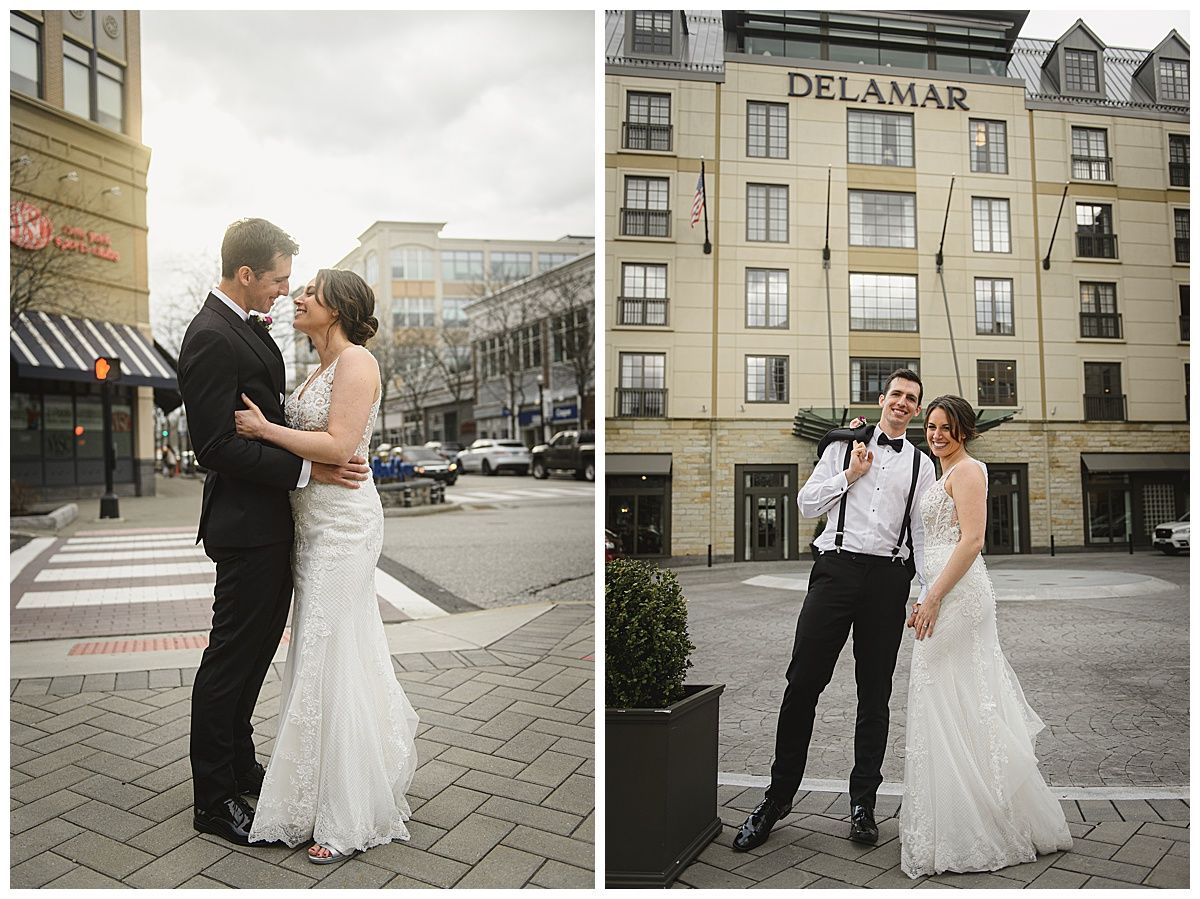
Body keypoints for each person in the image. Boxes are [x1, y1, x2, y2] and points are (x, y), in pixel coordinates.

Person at [178, 218, 370, 848]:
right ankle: (213, 798)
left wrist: (316, 453)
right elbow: (214, 445)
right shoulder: (210, 335)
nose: (285, 293)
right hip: (245, 527)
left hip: (276, 525)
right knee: (231, 659)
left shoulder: (246, 330)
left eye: (295, 283)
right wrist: (305, 466)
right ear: (246, 275)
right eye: (279, 280)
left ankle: (239, 766)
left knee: (255, 655)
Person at [235, 268, 419, 864]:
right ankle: (317, 791)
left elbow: (341, 447)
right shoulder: (317, 365)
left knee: (329, 648)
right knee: (317, 651)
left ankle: (345, 813)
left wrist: (266, 429)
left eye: (310, 291)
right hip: (312, 525)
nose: (298, 297)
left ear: (336, 308)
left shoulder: (357, 363)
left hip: (343, 524)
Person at [733, 369, 936, 852]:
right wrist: (852, 474)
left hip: (888, 580)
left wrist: (926, 592)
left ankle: (863, 804)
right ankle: (777, 798)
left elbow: (923, 536)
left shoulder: (923, 466)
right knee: (803, 682)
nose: (903, 403)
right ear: (882, 399)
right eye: (897, 395)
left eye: (912, 399)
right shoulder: (841, 447)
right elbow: (805, 505)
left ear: (916, 408)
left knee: (875, 693)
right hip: (836, 571)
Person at [900, 396, 1071, 877]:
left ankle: (977, 821)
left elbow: (972, 541)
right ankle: (963, 810)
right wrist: (922, 593)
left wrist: (933, 598)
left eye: (946, 428)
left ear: (965, 432)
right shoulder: (942, 473)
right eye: (931, 427)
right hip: (938, 592)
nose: (935, 435)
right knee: (949, 699)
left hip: (958, 599)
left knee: (948, 695)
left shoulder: (968, 471)